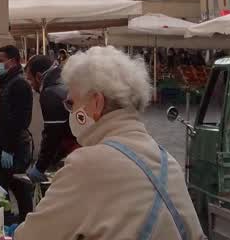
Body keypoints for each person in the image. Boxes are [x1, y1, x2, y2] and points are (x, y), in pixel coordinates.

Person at [15, 46, 205, 240]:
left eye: (72, 103)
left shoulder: (87, 164)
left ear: (97, 103)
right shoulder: (169, 162)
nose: (70, 111)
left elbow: (30, 236)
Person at [0, 44, 34, 223]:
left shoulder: (19, 84)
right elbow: (2, 113)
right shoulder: (7, 82)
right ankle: (12, 218)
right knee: (5, 183)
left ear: (12, 61)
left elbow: (20, 120)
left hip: (13, 146)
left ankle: (23, 218)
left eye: (1, 61)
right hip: (3, 143)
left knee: (15, 183)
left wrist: (9, 148)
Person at [25, 54, 77, 185]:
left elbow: (52, 134)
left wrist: (40, 167)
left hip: (78, 148)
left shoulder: (50, 93)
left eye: (30, 80)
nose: (31, 85)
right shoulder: (65, 81)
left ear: (38, 76)